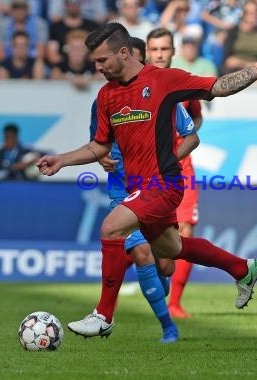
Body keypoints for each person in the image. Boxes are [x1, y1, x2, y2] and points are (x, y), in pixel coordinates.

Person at [38, 22, 257, 335]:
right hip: (138, 189)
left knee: (111, 227)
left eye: (102, 60)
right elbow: (99, 145)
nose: (97, 68)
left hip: (164, 184)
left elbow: (217, 86)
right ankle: (242, 268)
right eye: (94, 62)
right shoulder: (107, 96)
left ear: (123, 53)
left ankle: (103, 315)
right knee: (171, 249)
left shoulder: (165, 80)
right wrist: (62, 159)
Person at [67, 36, 196, 343]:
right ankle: (168, 327)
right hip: (122, 192)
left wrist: (169, 160)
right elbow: (99, 144)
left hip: (155, 187)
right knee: (140, 253)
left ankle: (159, 285)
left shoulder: (161, 93)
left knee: (164, 264)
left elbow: (190, 137)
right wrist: (103, 161)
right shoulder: (105, 98)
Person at [145, 27, 202, 318]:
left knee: (186, 231)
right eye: (154, 49)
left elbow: (197, 117)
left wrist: (181, 142)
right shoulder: (138, 85)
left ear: (173, 51)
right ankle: (159, 276)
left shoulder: (183, 83)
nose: (159, 55)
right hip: (147, 171)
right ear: (146, 52)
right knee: (152, 238)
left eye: (164, 49)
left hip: (182, 169)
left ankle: (175, 303)